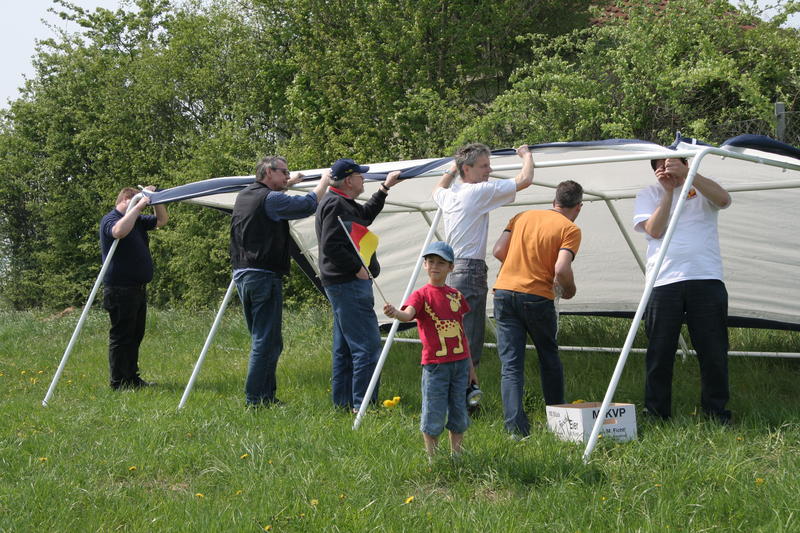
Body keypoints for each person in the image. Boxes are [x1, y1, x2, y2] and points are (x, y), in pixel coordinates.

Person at [633, 157, 732, 423]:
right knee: (659, 352)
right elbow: (654, 230)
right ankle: (656, 413)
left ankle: (716, 413)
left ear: (686, 163)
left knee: (713, 351)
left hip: (706, 277)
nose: (666, 170)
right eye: (659, 167)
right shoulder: (649, 193)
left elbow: (724, 200)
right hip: (663, 281)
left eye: (672, 164)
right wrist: (667, 192)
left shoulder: (702, 186)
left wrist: (689, 174)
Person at [230, 155, 330, 407]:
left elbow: (274, 196)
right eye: (284, 172)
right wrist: (325, 182)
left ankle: (263, 396)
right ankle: (257, 399)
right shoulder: (271, 199)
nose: (288, 176)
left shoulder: (244, 196)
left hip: (243, 274)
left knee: (262, 338)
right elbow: (308, 204)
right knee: (267, 340)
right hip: (263, 275)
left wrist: (288, 183)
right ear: (268, 172)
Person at [491, 180, 584, 437]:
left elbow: (499, 250)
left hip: (504, 292)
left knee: (510, 365)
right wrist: (569, 289)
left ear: (555, 201)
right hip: (537, 297)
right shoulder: (570, 228)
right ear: (578, 207)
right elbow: (561, 269)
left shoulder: (522, 216)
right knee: (549, 359)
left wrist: (519, 265)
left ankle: (515, 430)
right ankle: (560, 422)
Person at [433, 144, 534, 377]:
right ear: (466, 169)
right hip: (469, 270)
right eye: (484, 166)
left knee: (458, 336)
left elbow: (436, 190)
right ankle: (467, 397)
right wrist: (526, 155)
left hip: (455, 270)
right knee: (470, 339)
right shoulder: (476, 192)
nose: (489, 170)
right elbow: (525, 179)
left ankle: (460, 394)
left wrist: (450, 171)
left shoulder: (451, 195)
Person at [316, 158, 402, 412]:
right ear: (349, 180)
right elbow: (331, 246)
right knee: (367, 346)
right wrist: (357, 269)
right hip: (348, 283)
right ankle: (363, 406)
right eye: (361, 176)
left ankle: (344, 404)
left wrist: (384, 189)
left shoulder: (340, 202)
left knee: (344, 348)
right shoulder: (334, 204)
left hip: (342, 283)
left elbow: (364, 216)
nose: (364, 179)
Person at [383, 241, 477, 459]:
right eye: (431, 262)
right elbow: (408, 315)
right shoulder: (421, 295)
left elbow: (461, 333)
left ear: (451, 267)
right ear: (424, 265)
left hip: (460, 364)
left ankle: (457, 456)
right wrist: (395, 313)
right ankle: (433, 459)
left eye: (441, 263)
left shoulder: (456, 296)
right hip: (435, 366)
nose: (435, 266)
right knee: (433, 409)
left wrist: (470, 366)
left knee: (459, 409)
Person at [99, 186, 168, 390]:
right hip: (120, 289)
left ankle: (131, 377)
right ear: (127, 200)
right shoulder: (111, 219)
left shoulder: (137, 220)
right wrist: (138, 205)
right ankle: (118, 382)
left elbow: (161, 221)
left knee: (135, 334)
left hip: (137, 288)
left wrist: (157, 201)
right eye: (136, 202)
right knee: (122, 336)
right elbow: (118, 232)